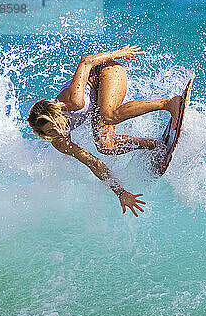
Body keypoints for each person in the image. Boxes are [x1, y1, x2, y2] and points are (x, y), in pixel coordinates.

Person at [27, 45, 182, 217]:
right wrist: (121, 193)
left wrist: (119, 53)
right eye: (50, 132)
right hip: (96, 97)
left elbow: (85, 62)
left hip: (107, 71)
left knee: (109, 115)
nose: (58, 131)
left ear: (56, 112)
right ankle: (154, 144)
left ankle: (169, 103)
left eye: (55, 124)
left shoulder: (72, 101)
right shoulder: (59, 141)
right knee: (105, 146)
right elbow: (93, 163)